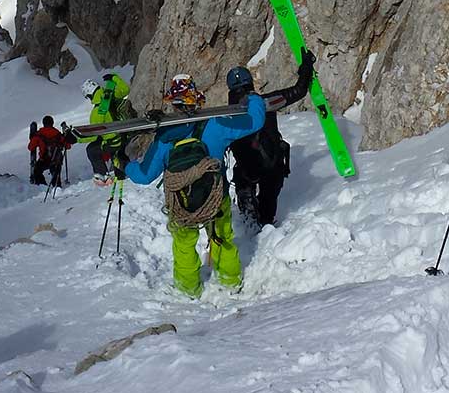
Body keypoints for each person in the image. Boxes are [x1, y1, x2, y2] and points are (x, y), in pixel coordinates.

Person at [124, 55, 313, 298]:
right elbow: (255, 121)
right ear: (196, 100)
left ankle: (188, 288)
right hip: (215, 197)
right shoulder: (215, 125)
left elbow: (143, 176)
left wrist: (126, 166)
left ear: (173, 103)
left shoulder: (164, 138)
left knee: (183, 245)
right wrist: (254, 98)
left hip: (181, 201)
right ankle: (230, 281)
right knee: (223, 237)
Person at [226, 66, 291, 227]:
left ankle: (247, 205)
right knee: (268, 200)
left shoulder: (228, 115)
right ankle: (266, 224)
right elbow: (297, 91)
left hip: (247, 168)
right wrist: (306, 71)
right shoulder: (268, 102)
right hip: (273, 166)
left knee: (242, 172)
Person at [77, 73, 133, 186]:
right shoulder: (111, 94)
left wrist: (77, 139)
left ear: (89, 95)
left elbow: (94, 134)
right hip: (124, 134)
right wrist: (114, 77)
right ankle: (124, 170)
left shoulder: (97, 111)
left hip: (114, 141)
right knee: (117, 152)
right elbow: (126, 89)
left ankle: (101, 175)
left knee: (92, 150)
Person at [28, 115, 72, 188]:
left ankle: (43, 187)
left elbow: (30, 147)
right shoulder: (57, 134)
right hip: (57, 159)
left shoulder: (39, 134)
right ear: (52, 123)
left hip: (44, 159)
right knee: (56, 176)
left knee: (37, 171)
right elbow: (68, 146)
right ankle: (57, 187)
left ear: (43, 123)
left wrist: (32, 138)